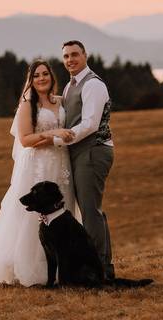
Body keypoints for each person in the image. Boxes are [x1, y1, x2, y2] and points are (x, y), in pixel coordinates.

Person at [0, 60, 81, 286]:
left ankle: (64, 267)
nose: (41, 78)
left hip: (61, 163)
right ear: (31, 81)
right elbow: (25, 139)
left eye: (45, 74)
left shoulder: (59, 101)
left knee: (62, 211)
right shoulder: (27, 104)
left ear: (52, 77)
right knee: (32, 218)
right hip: (38, 166)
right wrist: (56, 132)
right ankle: (33, 268)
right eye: (36, 76)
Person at [53, 40, 115, 281]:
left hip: (93, 151)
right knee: (92, 212)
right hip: (80, 152)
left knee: (90, 212)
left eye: (75, 55)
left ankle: (99, 271)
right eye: (66, 56)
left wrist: (60, 141)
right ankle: (103, 268)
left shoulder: (93, 85)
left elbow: (90, 124)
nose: (70, 60)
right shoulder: (71, 86)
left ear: (85, 55)